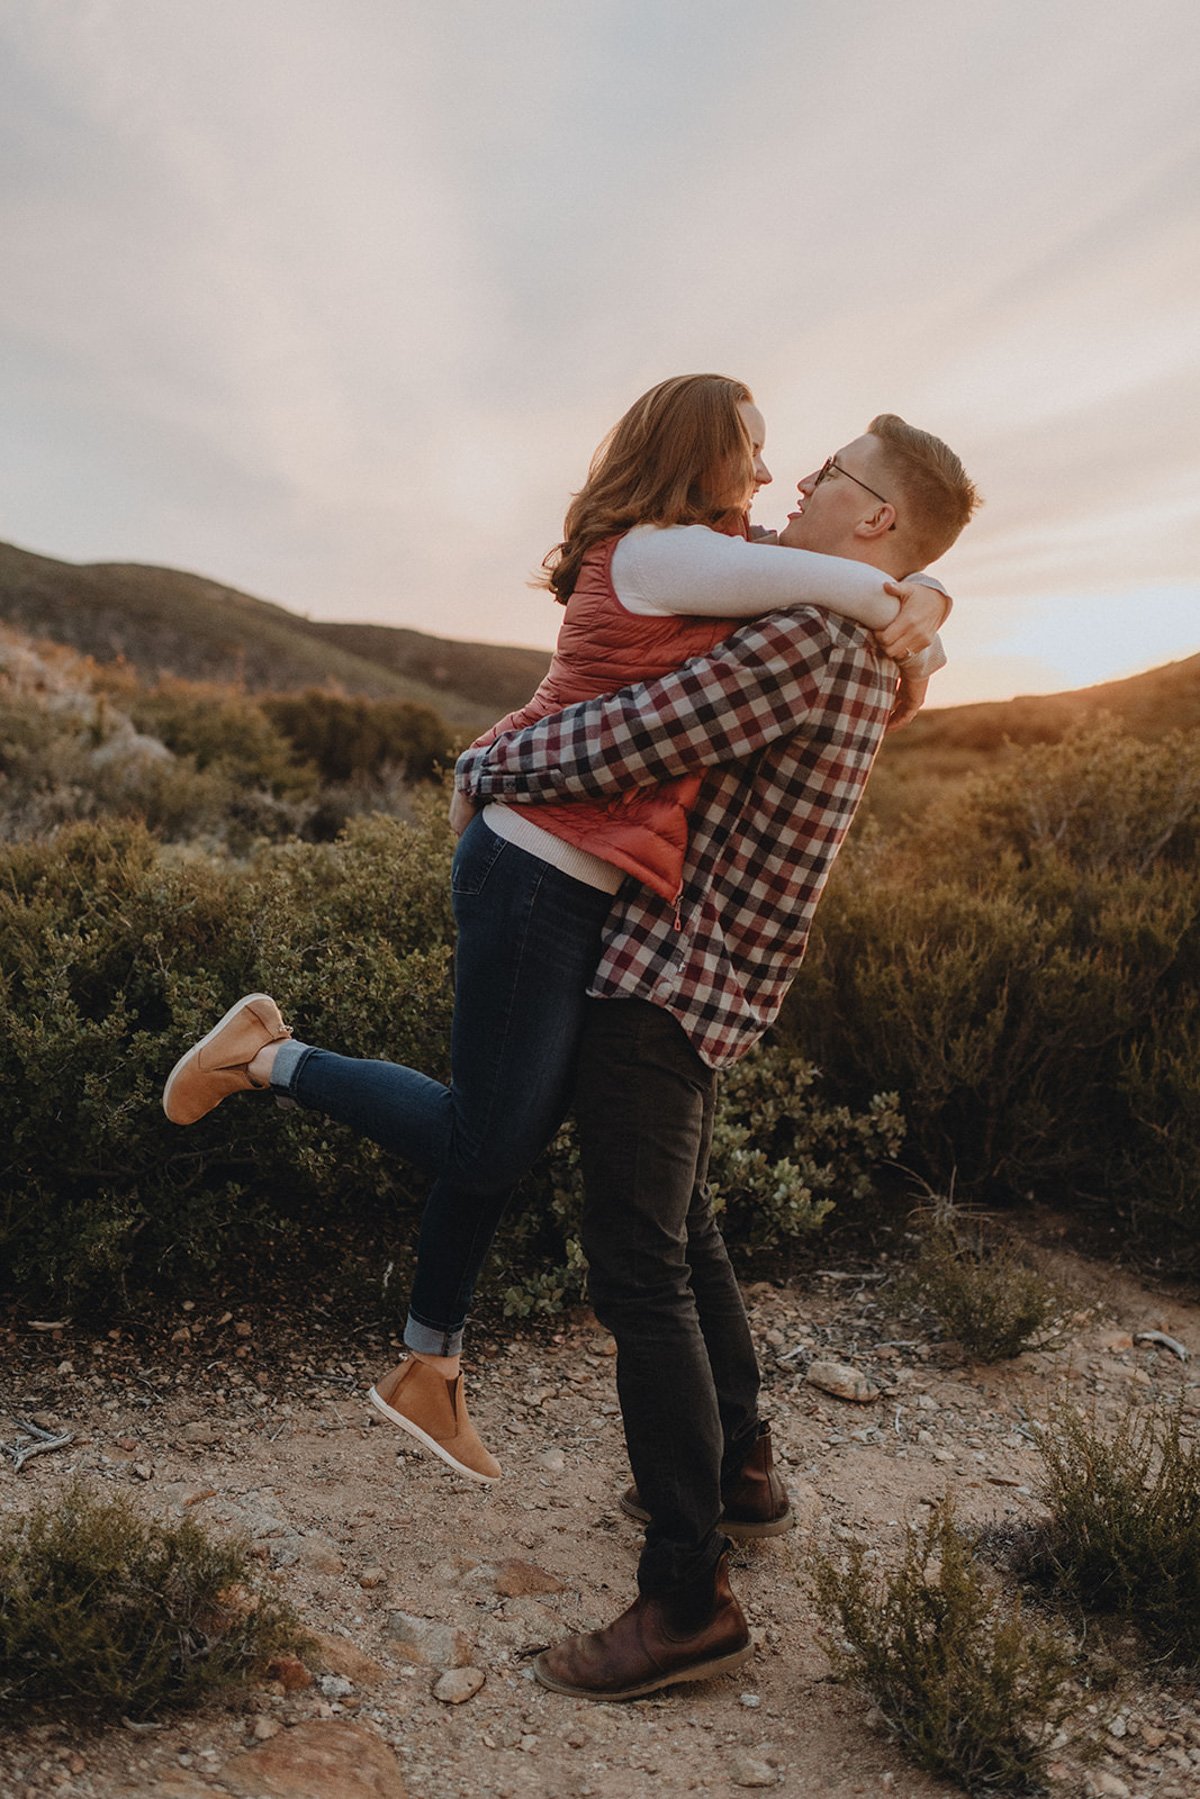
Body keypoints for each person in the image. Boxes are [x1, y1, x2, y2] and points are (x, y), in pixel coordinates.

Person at [161, 378, 949, 1488]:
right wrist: (912, 598)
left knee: (505, 1126)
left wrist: (928, 598)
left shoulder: (717, 552)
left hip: (581, 889)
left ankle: (428, 1365)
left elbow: (849, 614)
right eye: (760, 453)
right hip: (535, 869)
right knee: (491, 1137)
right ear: (702, 449)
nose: (778, 479)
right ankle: (268, 1056)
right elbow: (841, 590)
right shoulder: (665, 551)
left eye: (800, 463)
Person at [452, 412, 981, 1700]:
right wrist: (924, 606)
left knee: (639, 1270)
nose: (801, 481)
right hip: (726, 969)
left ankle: (684, 1593)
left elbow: (626, 737)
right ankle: (740, 1467)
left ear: (875, 520)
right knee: (686, 1233)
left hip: (667, 970)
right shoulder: (860, 635)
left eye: (834, 474)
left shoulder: (806, 638)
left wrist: (481, 760)